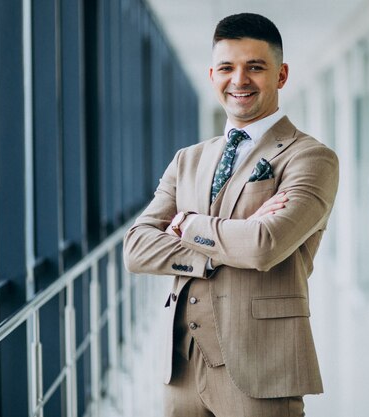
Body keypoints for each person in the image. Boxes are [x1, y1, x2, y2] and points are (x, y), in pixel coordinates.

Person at [123, 12, 338, 417]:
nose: (239, 80)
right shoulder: (188, 159)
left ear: (281, 74)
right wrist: (224, 244)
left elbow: (263, 246)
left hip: (262, 367)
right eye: (227, 68)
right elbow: (135, 249)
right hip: (182, 366)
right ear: (212, 75)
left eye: (255, 67)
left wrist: (185, 224)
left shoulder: (310, 157)